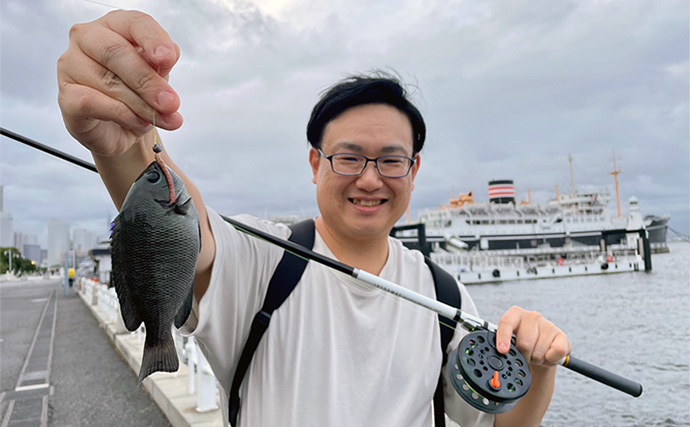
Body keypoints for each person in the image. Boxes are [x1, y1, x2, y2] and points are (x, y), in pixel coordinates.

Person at [57, 10, 571, 427]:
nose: (370, 179)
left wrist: (539, 367)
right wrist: (127, 143)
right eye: (348, 157)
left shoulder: (444, 294)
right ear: (314, 163)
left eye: (391, 160)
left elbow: (505, 424)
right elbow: (188, 230)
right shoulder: (262, 260)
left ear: (414, 171)